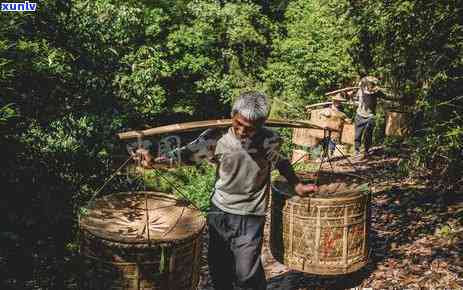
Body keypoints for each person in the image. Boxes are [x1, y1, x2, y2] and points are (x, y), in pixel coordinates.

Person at [135, 91, 318, 290]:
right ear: (232, 115)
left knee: (246, 272)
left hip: (250, 215)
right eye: (237, 124)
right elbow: (185, 156)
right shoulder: (215, 138)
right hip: (219, 210)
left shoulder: (269, 141)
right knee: (219, 268)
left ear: (261, 124)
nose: (241, 131)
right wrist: (155, 162)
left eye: (249, 129)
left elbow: (281, 162)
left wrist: (296, 184)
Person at [353, 76, 382, 159]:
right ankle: (357, 151)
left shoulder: (376, 92)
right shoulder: (360, 90)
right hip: (360, 115)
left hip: (370, 116)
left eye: (372, 84)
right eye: (369, 83)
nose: (370, 85)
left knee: (368, 134)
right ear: (366, 83)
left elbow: (386, 96)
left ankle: (366, 150)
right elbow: (355, 98)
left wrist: (399, 98)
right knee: (357, 135)